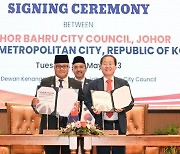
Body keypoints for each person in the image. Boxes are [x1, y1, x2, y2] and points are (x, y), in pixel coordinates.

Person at [31, 55, 83, 154]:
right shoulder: (45, 82)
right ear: (54, 67)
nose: (61, 69)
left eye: (64, 66)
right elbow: (37, 106)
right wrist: (34, 104)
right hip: (49, 125)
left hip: (69, 126)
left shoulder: (76, 84)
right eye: (58, 66)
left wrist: (78, 107)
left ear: (68, 68)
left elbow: (82, 104)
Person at [84, 54, 134, 154]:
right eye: (105, 64)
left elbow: (131, 102)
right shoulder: (93, 84)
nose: (108, 66)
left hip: (119, 124)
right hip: (102, 124)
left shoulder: (123, 83)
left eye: (110, 64)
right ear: (100, 66)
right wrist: (93, 109)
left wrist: (123, 108)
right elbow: (87, 101)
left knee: (119, 152)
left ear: (115, 66)